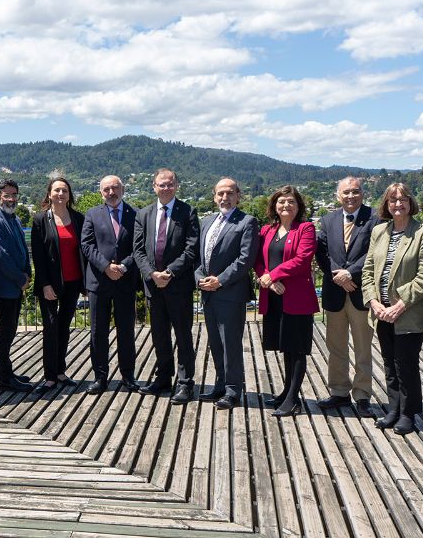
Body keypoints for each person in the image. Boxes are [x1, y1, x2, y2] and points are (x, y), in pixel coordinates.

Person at [361, 183, 423, 436]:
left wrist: (399, 305)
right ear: (386, 204)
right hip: (381, 311)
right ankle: (393, 408)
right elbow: (368, 271)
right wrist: (373, 302)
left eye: (403, 199)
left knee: (405, 364)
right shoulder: (379, 231)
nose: (398, 204)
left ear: (410, 202)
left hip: (410, 313)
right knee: (388, 364)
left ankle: (408, 413)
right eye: (393, 200)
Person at [132, 168, 200, 404]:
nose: (166, 188)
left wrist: (169, 272)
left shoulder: (188, 212)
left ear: (176, 186)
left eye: (170, 184)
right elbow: (138, 250)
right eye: (162, 184)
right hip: (153, 286)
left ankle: (185, 383)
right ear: (154, 186)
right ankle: (163, 377)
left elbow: (191, 249)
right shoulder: (144, 214)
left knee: (183, 337)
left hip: (178, 285)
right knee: (159, 335)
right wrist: (152, 274)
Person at [315, 176, 380, 417]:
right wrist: (337, 275)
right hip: (335, 292)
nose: (350, 196)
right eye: (346, 192)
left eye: (355, 191)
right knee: (336, 346)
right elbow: (321, 252)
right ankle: (339, 392)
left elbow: (375, 252)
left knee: (363, 348)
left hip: (361, 291)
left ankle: (362, 395)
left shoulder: (375, 218)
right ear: (337, 196)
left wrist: (349, 273)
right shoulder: (328, 219)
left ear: (362, 193)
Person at [254, 185, 318, 417]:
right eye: (281, 201)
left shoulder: (306, 228)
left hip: (297, 299)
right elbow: (257, 261)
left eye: (291, 201)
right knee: (285, 348)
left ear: (298, 205)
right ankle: (285, 392)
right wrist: (268, 280)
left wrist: (275, 274)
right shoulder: (266, 231)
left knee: (297, 349)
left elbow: (302, 260)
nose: (286, 205)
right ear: (274, 206)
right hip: (274, 297)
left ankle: (292, 399)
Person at [195, 178, 257, 410]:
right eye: (220, 193)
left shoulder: (247, 222)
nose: (225, 197)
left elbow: (245, 260)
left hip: (230, 293)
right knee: (215, 342)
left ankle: (233, 390)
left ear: (238, 196)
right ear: (214, 197)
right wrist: (199, 278)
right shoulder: (207, 221)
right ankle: (220, 384)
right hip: (208, 293)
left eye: (230, 193)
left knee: (230, 343)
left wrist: (219, 281)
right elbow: (199, 257)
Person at [81, 175, 139, 395]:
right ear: (101, 192)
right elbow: (86, 245)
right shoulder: (92, 214)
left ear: (122, 189)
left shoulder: (136, 215)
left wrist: (123, 267)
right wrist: (106, 266)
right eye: (106, 189)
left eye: (115, 188)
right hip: (99, 281)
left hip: (125, 282)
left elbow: (139, 247)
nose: (111, 193)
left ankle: (128, 376)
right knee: (97, 332)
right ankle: (100, 377)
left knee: (126, 331)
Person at [31, 176, 85, 392]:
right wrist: (44, 284)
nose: (61, 194)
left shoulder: (78, 219)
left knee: (64, 327)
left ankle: (61, 371)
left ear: (69, 194)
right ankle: (49, 375)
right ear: (49, 194)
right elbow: (38, 256)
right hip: (50, 285)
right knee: (51, 327)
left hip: (73, 283)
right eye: (57, 190)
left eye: (64, 190)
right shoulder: (41, 220)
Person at [0, 178, 33, 392]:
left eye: (14, 194)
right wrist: (21, 279)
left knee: (11, 330)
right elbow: (0, 256)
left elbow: (22, 247)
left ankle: (7, 371)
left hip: (16, 284)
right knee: (6, 332)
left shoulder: (12, 218)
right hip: (6, 286)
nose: (12, 199)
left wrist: (28, 273)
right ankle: (3, 376)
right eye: (7, 195)